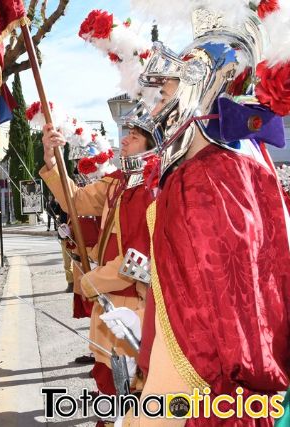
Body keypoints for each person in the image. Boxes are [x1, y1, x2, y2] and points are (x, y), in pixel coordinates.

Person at [119, 14, 290, 425]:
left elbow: (210, 323)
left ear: (198, 88)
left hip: (195, 387)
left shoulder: (201, 179)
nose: (157, 107)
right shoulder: (244, 170)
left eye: (166, 92)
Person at [41, 121, 156, 408]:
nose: (126, 138)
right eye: (127, 133)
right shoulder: (117, 181)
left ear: (152, 146)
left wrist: (89, 282)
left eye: (135, 136)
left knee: (128, 389)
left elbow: (137, 262)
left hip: (133, 305)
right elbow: (76, 200)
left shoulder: (151, 188)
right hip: (108, 299)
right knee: (106, 381)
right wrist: (52, 160)